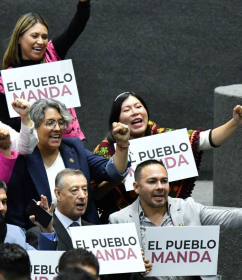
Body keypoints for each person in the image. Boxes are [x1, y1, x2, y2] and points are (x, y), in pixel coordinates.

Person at [93, 91, 242, 223]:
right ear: (117, 120)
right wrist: (115, 180)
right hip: (124, 222)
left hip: (166, 219)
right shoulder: (105, 150)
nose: (134, 112)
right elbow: (94, 194)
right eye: (127, 109)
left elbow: (206, 139)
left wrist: (235, 122)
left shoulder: (164, 137)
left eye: (138, 107)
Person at [110, 159, 242, 280]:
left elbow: (230, 217)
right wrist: (133, 267)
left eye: (164, 181)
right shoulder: (119, 220)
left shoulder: (188, 209)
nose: (160, 186)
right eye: (152, 181)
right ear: (136, 187)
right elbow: (112, 275)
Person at [6, 98, 129, 229]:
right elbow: (15, 214)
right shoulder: (22, 160)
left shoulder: (74, 148)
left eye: (61, 123)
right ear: (35, 126)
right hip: (42, 236)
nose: (57, 128)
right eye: (50, 123)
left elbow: (114, 172)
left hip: (85, 230)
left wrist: (122, 144)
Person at [0, 0, 91, 139]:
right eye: (34, 36)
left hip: (69, 142)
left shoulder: (52, 53)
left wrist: (84, 3)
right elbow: (6, 123)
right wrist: (31, 121)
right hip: (35, 149)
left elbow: (76, 27)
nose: (40, 41)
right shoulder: (6, 81)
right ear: (19, 38)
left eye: (44, 36)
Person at [26, 169, 92, 251]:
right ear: (58, 194)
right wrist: (48, 231)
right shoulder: (38, 234)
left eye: (85, 190)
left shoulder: (96, 231)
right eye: (74, 190)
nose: (82, 196)